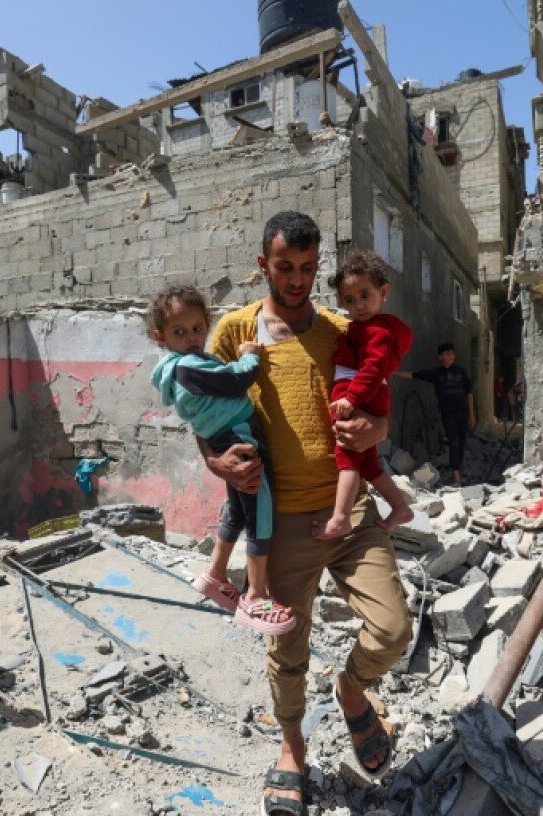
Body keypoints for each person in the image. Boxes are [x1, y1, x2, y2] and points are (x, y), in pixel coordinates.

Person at [203, 211, 412, 815]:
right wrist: (218, 465)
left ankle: (351, 690)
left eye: (306, 268)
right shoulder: (232, 332)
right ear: (263, 264)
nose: (296, 280)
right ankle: (292, 747)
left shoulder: (344, 330)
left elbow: (377, 408)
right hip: (280, 521)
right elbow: (203, 413)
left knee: (393, 629)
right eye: (284, 267)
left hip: (352, 509)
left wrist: (379, 425)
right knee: (287, 646)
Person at [147, 284, 296, 636]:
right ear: (161, 336)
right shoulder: (187, 367)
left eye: (198, 328)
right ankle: (256, 596)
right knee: (260, 510)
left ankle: (216, 575)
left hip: (226, 439)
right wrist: (249, 355)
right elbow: (237, 379)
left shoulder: (179, 367)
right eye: (179, 332)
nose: (192, 338)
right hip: (240, 440)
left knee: (239, 509)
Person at [314, 249, 415, 540]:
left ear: (383, 292)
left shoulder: (377, 330)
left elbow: (372, 369)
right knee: (368, 463)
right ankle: (400, 507)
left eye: (364, 295)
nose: (358, 305)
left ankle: (341, 518)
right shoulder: (366, 327)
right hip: (363, 391)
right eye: (349, 300)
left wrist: (351, 398)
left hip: (357, 390)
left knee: (345, 453)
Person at [398, 343, 476, 486]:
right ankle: (456, 475)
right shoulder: (436, 374)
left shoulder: (461, 372)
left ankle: (459, 469)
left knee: (462, 441)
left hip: (463, 412)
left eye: (452, 353)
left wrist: (472, 414)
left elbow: (469, 393)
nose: (451, 356)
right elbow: (414, 375)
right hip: (447, 414)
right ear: (440, 357)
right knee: (454, 441)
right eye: (447, 354)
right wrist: (393, 373)